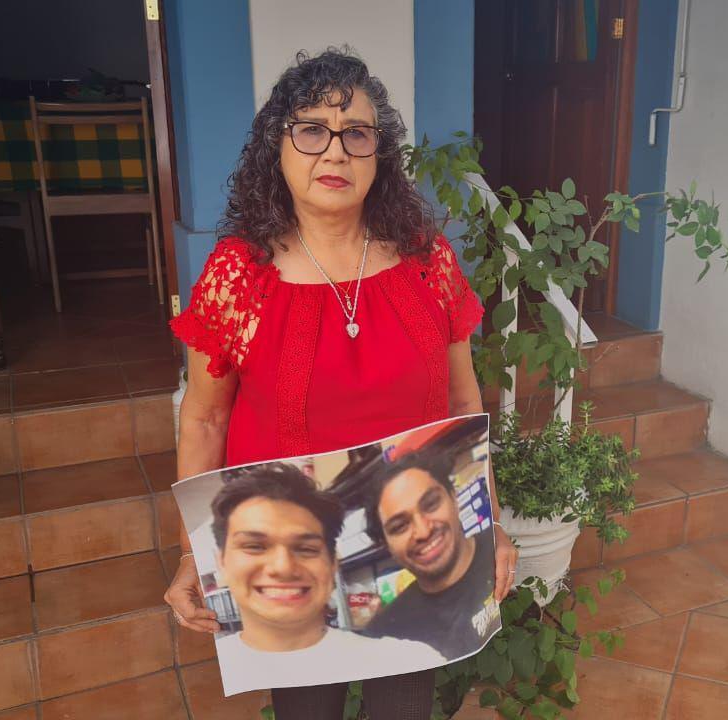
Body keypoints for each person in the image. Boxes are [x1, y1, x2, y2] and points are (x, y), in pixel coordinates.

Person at [163, 47, 519, 720]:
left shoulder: (426, 260)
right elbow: (205, 421)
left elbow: (465, 404)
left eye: (356, 133)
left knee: (403, 710)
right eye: (311, 130)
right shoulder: (239, 276)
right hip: (290, 563)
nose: (335, 152)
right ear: (279, 147)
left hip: (415, 549)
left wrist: (488, 523)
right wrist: (194, 552)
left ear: (379, 153)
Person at [209, 465, 443, 694]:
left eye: (306, 549)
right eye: (255, 546)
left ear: (333, 564)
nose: (283, 567)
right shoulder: (207, 676)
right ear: (222, 562)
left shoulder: (406, 661)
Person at [361, 450, 500, 659]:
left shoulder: (503, 548)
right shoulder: (383, 637)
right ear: (385, 544)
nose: (423, 531)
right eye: (400, 526)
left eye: (431, 504)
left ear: (454, 498)